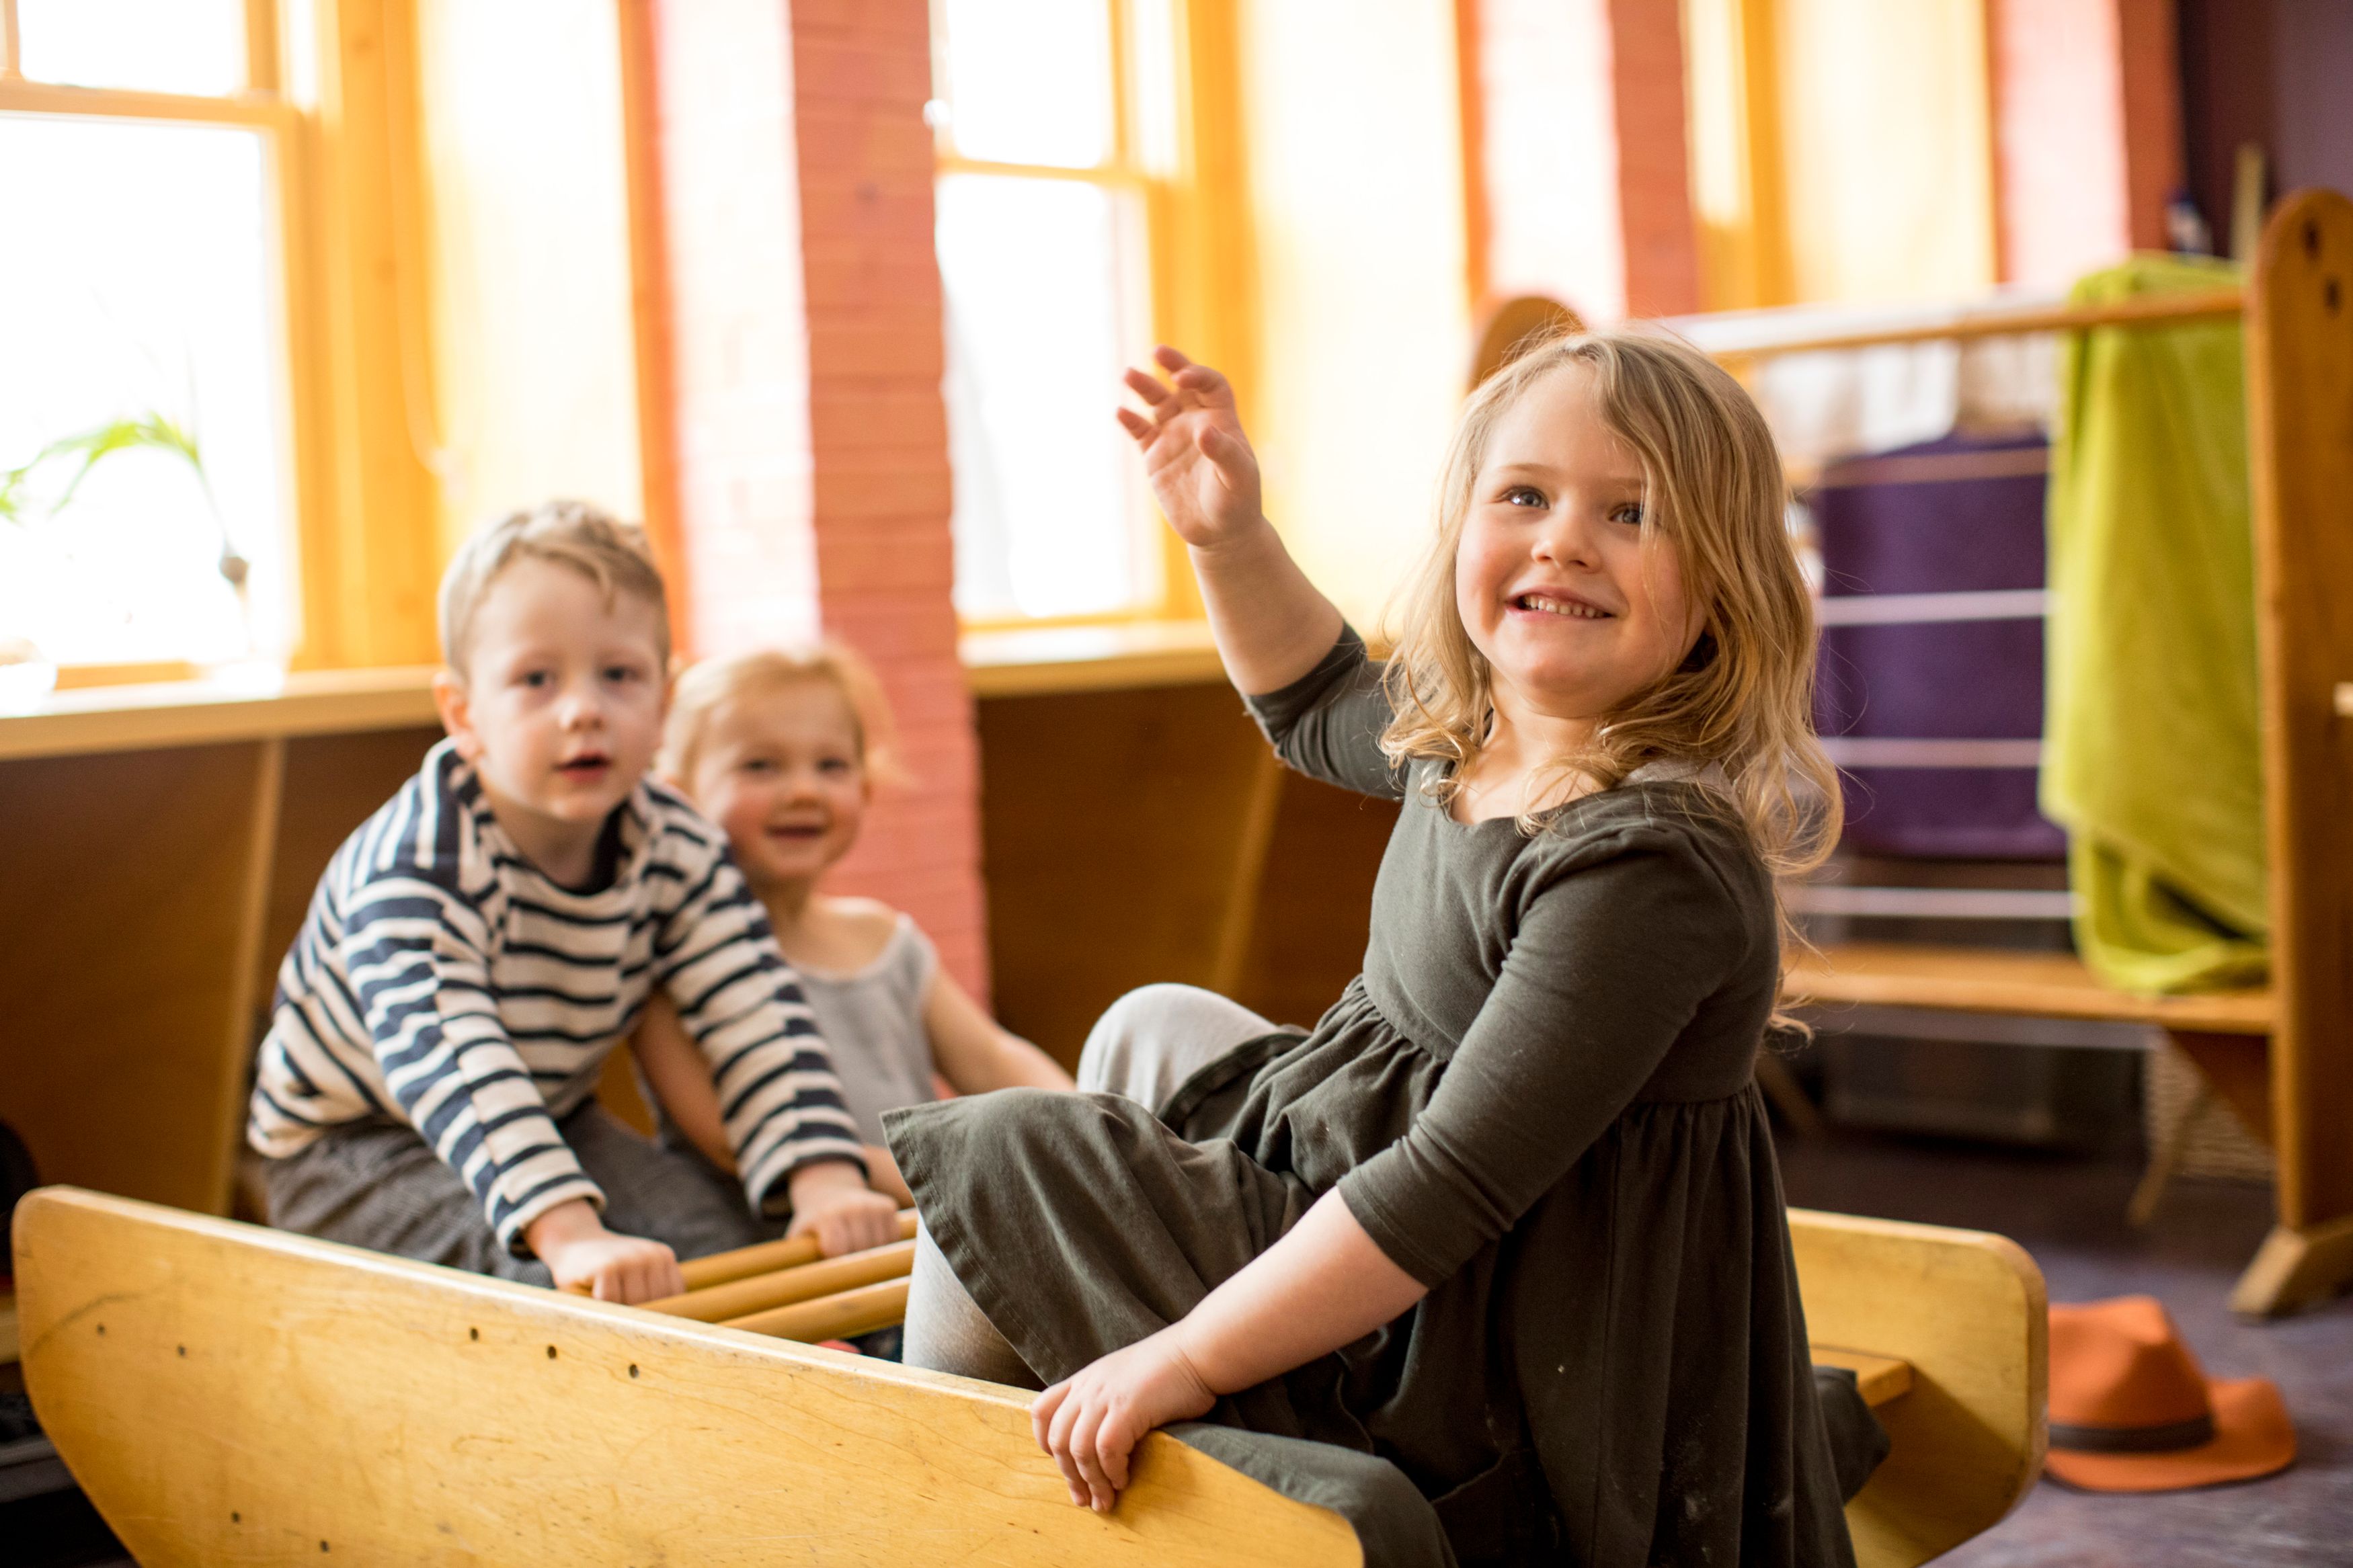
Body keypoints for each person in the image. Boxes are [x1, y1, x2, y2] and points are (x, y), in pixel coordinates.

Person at [884, 335, 1871, 1567]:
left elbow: (1444, 1190)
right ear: (1463, 527)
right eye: (1526, 494)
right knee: (1154, 1022)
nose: (1565, 537)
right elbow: (1311, 698)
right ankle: (1040, 1417)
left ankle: (936, 1507)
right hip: (1395, 1204)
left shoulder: (1646, 864)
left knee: (998, 1149)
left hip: (1492, 1336)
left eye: (1633, 512)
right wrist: (1226, 535)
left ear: (1724, 586)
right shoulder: (1476, 740)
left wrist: (1182, 1356)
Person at [247, 502, 902, 1305]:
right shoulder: (419, 867)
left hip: (552, 1114)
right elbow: (455, 1061)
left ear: (662, 703)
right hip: (351, 1147)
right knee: (542, 1288)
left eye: (618, 675)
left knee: (713, 1243)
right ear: (464, 712)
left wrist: (823, 1178)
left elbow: (753, 1011)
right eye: (535, 679)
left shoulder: (677, 845)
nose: (582, 708)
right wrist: (568, 1233)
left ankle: (824, 1373)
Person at [629, 645, 1072, 1206]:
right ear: (678, 797)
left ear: (865, 787)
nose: (804, 790)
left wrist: (1080, 1125)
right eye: (760, 765)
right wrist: (951, 1185)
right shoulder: (669, 964)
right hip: (792, 1256)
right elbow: (730, 1140)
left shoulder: (882, 938)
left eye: (831, 765)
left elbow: (991, 1058)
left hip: (928, 1237)